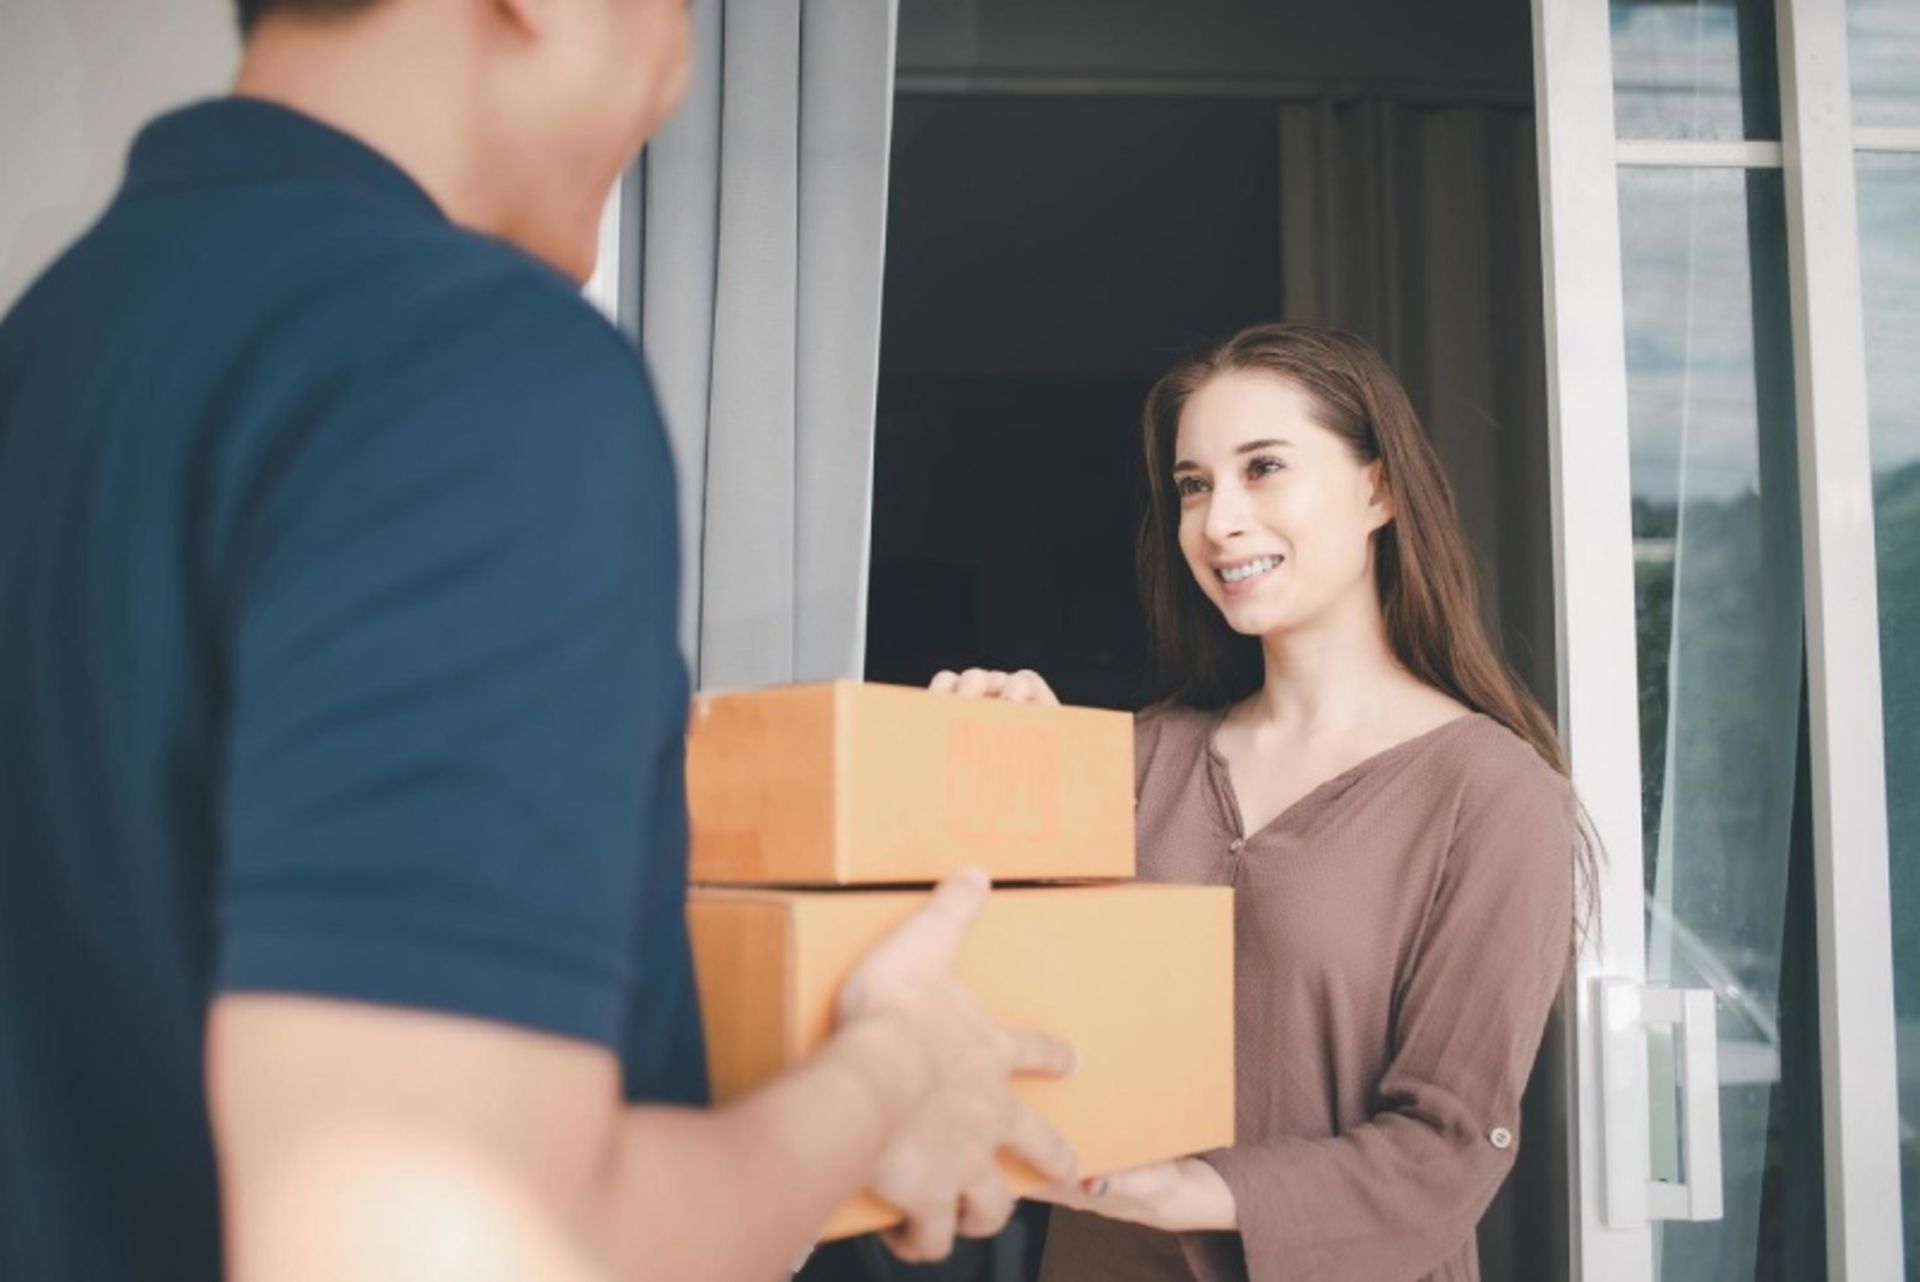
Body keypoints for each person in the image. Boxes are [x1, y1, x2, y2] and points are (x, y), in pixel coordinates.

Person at [0, 2, 1078, 1279]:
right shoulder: (467, 364)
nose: (675, 68)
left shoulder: (51, 348)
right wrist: (890, 1078)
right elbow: (436, 1248)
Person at [933, 322, 1588, 1282]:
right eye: (1194, 485)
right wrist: (998, 772)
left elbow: (1448, 1143)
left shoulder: (1493, 795)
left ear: (1379, 489)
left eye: (1263, 468)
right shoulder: (1140, 756)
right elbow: (995, 992)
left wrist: (1184, 1190)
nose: (1218, 521)